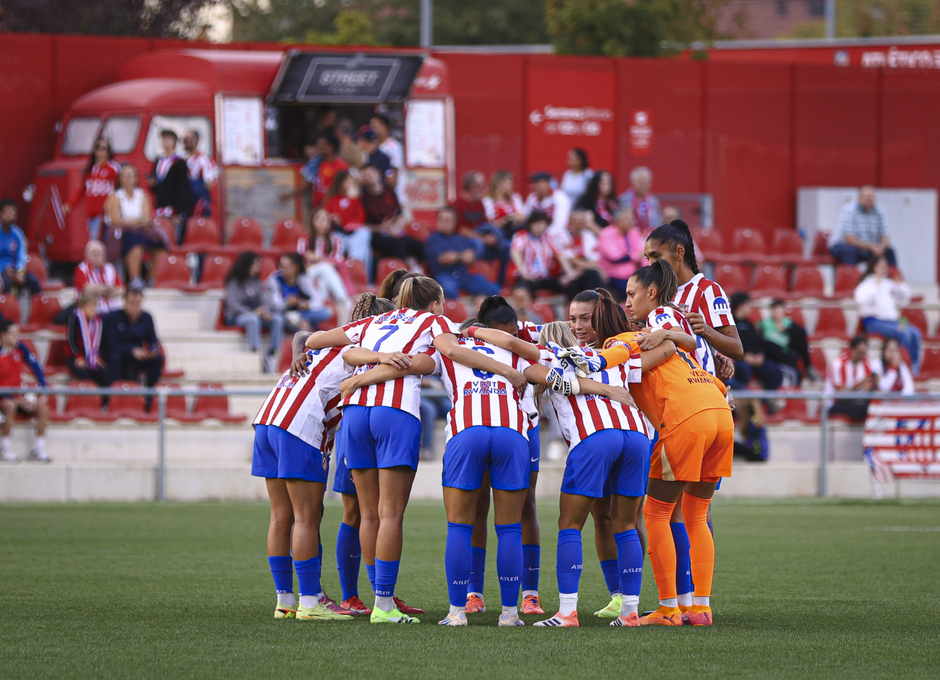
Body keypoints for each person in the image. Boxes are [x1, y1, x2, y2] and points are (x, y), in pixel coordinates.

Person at [306, 276, 528, 624]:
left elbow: (318, 341)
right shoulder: (434, 321)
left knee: (368, 514)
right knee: (390, 514)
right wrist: (506, 371)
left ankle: (377, 598)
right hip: (395, 413)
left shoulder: (375, 320)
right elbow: (448, 351)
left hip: (355, 414)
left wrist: (366, 369)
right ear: (436, 303)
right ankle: (384, 604)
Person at [556, 292, 733, 627]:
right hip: (719, 412)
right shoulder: (664, 344)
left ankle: (667, 609)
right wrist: (671, 340)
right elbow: (709, 375)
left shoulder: (624, 341)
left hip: (678, 422)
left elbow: (618, 353)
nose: (578, 326)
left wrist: (595, 363)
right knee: (694, 515)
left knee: (654, 513)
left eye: (632, 293)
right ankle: (698, 606)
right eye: (573, 319)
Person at [252, 292, 430, 620]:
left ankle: (285, 600)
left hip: (267, 419)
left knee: (281, 515)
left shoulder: (328, 344)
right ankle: (310, 602)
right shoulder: (359, 353)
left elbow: (302, 335)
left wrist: (298, 350)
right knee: (306, 517)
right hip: (299, 425)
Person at [432, 318, 554, 627]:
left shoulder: (448, 348)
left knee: (459, 526)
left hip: (466, 432)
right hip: (511, 434)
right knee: (510, 528)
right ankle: (510, 614)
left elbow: (413, 364)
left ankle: (457, 612)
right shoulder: (514, 351)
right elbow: (547, 374)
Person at [510, 211, 603, 300]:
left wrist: (570, 273)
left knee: (572, 284)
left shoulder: (547, 236)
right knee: (526, 288)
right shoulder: (522, 235)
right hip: (527, 277)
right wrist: (523, 272)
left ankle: (574, 307)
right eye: (537, 224)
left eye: (542, 224)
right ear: (531, 224)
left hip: (543, 277)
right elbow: (515, 252)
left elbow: (559, 254)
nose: (540, 227)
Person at [854, 255, 920, 373]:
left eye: (885, 266)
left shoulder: (888, 283)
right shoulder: (867, 283)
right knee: (905, 334)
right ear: (874, 267)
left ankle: (913, 366)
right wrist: (876, 285)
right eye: (880, 266)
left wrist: (900, 286)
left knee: (915, 333)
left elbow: (904, 300)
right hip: (874, 322)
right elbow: (860, 300)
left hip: (892, 322)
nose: (883, 269)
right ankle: (904, 366)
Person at [106, 164, 165, 289]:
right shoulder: (115, 196)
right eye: (125, 176)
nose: (128, 179)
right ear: (120, 179)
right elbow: (115, 220)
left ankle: (151, 278)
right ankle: (135, 278)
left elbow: (146, 218)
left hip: (142, 230)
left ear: (135, 178)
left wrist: (130, 221)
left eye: (131, 176)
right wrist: (135, 222)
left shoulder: (142, 194)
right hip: (123, 232)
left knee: (160, 244)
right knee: (135, 240)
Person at [224, 252, 284, 372]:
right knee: (252, 319)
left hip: (256, 314)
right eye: (255, 265)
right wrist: (252, 312)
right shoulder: (234, 283)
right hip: (237, 316)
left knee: (277, 319)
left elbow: (263, 300)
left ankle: (273, 352)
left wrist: (264, 311)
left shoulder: (256, 282)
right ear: (246, 265)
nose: (257, 268)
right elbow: (234, 305)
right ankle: (255, 350)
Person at [359, 164, 424, 277]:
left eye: (371, 173)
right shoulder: (362, 198)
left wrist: (395, 228)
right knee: (398, 244)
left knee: (418, 245)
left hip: (394, 230)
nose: (369, 177)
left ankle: (423, 275)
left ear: (378, 174)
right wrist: (380, 228)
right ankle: (401, 277)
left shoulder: (388, 190)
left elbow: (399, 214)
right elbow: (361, 225)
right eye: (365, 175)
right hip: (377, 235)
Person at [0, 320, 50, 463]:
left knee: (42, 407)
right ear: (3, 335)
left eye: (17, 333)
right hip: (3, 396)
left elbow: (36, 367)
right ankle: (5, 449)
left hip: (16, 395)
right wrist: (16, 399)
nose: (17, 337)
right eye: (13, 334)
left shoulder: (20, 348)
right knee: (10, 406)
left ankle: (38, 449)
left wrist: (43, 390)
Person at [424, 206, 500, 299]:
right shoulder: (432, 239)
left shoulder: (460, 238)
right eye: (441, 220)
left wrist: (456, 257)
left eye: (448, 220)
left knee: (492, 288)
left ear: (454, 223)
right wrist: (461, 257)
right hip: (444, 276)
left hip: (463, 275)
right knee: (448, 289)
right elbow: (443, 259)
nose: (445, 223)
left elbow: (471, 258)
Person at [101, 288, 163, 393]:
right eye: (132, 303)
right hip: (119, 353)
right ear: (125, 302)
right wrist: (131, 350)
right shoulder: (113, 317)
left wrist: (152, 351)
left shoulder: (147, 317)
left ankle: (151, 394)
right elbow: (110, 343)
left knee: (157, 360)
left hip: (138, 355)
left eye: (138, 304)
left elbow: (153, 339)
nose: (135, 307)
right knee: (114, 358)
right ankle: (113, 393)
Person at [727, 292, 791, 391]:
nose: (750, 309)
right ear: (741, 306)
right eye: (748, 305)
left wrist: (760, 355)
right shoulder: (729, 324)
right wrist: (743, 357)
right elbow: (729, 345)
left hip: (756, 359)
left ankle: (768, 399)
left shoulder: (750, 324)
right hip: (739, 359)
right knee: (743, 369)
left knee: (775, 371)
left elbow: (758, 342)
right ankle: (744, 399)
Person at [63, 137, 120, 241]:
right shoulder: (90, 170)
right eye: (98, 148)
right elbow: (81, 190)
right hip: (91, 213)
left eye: (104, 149)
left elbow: (118, 189)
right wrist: (70, 204)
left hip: (105, 214)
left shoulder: (113, 168)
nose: (101, 152)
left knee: (99, 241)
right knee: (94, 239)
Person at [453, 171, 509, 271]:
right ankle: (472, 273)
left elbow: (485, 225)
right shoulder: (457, 204)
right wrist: (483, 239)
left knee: (507, 246)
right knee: (479, 245)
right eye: (480, 186)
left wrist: (491, 237)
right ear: (471, 187)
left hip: (482, 235)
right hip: (466, 240)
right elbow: (461, 230)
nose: (483, 189)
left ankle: (500, 279)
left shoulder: (479, 204)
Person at [829, 186, 897, 266]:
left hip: (870, 248)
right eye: (867, 196)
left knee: (889, 251)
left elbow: (886, 236)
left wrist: (881, 247)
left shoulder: (880, 211)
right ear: (860, 198)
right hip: (843, 246)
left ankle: (892, 274)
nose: (869, 199)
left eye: (872, 196)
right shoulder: (849, 210)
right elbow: (849, 239)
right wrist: (871, 247)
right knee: (851, 251)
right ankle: (850, 274)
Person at [264, 253, 331, 332]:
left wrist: (307, 304)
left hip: (300, 313)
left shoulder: (303, 278)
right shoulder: (274, 280)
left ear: (295, 267)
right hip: (283, 313)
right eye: (281, 266)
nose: (282, 270)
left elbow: (317, 299)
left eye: (286, 267)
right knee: (290, 319)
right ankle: (301, 324)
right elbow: (274, 305)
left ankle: (300, 322)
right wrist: (287, 303)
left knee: (325, 312)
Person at [302, 207, 355, 301]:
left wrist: (318, 258)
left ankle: (321, 304)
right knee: (325, 268)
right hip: (307, 274)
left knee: (324, 280)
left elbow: (337, 262)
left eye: (325, 219)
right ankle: (344, 300)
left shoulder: (336, 240)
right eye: (318, 219)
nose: (322, 223)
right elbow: (301, 262)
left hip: (328, 273)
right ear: (312, 221)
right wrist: (323, 261)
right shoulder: (305, 239)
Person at [149, 129, 193, 243]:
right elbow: (158, 186)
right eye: (163, 139)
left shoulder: (179, 162)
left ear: (174, 142)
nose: (165, 141)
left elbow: (182, 188)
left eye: (168, 139)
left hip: (173, 210)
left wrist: (180, 212)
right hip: (160, 208)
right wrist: (153, 185)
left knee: (173, 239)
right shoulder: (158, 161)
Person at [758, 299, 814, 382]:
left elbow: (803, 332)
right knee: (769, 344)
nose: (777, 312)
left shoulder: (788, 323)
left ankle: (808, 367)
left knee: (800, 339)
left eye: (779, 309)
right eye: (775, 309)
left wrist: (786, 329)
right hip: (772, 354)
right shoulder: (765, 324)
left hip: (785, 352)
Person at [826, 335, 878, 423]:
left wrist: (874, 384)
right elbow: (840, 396)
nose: (861, 356)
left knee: (873, 405)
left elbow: (867, 390)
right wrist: (858, 385)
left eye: (864, 353)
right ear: (852, 350)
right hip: (835, 403)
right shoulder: (838, 364)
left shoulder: (865, 364)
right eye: (859, 352)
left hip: (856, 402)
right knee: (862, 408)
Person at [0, 199, 42, 298]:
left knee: (34, 282)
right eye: (7, 213)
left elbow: (21, 256)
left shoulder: (17, 234)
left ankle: (36, 307)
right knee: (5, 283)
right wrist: (4, 269)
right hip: (1, 272)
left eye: (13, 213)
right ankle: (7, 307)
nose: (10, 216)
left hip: (14, 271)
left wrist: (19, 272)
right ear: (1, 214)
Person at [66, 291, 109, 387]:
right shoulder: (75, 318)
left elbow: (100, 341)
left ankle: (104, 397)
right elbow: (71, 339)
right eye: (89, 307)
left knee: (104, 375)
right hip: (75, 356)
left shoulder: (98, 322)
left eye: (94, 307)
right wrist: (78, 356)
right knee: (84, 374)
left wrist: (98, 357)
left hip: (92, 356)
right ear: (81, 307)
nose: (93, 310)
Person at [74, 240, 124, 315]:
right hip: (92, 310)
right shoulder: (81, 269)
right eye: (95, 254)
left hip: (111, 308)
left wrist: (98, 290)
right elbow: (86, 290)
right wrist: (108, 290)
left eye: (101, 254)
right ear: (86, 255)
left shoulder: (110, 268)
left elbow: (121, 289)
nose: (98, 257)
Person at [523, 173, 572, 247]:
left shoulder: (559, 197)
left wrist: (542, 237)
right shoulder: (532, 197)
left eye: (537, 182)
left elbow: (559, 225)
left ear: (547, 184)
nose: (533, 185)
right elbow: (524, 216)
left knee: (560, 238)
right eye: (533, 183)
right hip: (534, 234)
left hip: (555, 234)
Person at [183, 130, 217, 217]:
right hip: (186, 201)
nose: (184, 143)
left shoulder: (203, 160)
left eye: (186, 140)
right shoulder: (184, 159)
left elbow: (210, 184)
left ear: (195, 141)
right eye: (183, 140)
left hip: (198, 203)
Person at [312, 131, 349, 209]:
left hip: (333, 208)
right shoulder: (315, 163)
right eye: (317, 145)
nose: (318, 147)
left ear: (331, 147)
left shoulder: (341, 165)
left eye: (322, 145)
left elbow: (344, 188)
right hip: (317, 207)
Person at [483, 170, 526, 236]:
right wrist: (507, 219)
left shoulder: (515, 198)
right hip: (499, 233)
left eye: (511, 183)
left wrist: (509, 218)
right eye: (507, 183)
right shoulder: (488, 201)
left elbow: (522, 217)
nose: (510, 186)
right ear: (499, 184)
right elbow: (490, 223)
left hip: (516, 229)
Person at [618, 166, 661, 233]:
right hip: (629, 234)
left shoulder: (653, 201)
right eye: (641, 183)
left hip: (650, 235)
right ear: (633, 183)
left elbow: (658, 221)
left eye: (646, 183)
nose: (643, 186)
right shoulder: (623, 200)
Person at [371, 113, 404, 196]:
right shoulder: (371, 146)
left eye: (376, 126)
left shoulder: (393, 146)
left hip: (390, 193)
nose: (374, 130)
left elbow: (393, 176)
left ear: (385, 127)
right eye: (372, 127)